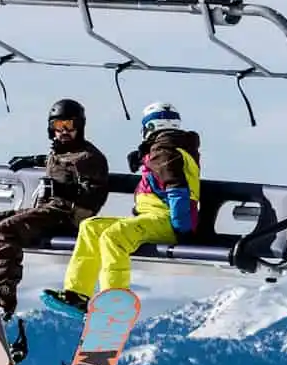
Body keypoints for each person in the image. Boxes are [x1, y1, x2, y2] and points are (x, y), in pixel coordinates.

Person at [0, 98, 110, 320]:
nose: (64, 131)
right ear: (51, 128)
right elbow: (56, 160)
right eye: (58, 126)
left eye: (70, 125)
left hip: (67, 216)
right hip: (48, 210)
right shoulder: (60, 152)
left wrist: (67, 191)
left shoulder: (90, 158)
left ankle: (2, 297)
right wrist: (32, 160)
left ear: (80, 127)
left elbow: (94, 198)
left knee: (8, 229)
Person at [41, 101, 200, 318]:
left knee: (114, 237)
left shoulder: (165, 153)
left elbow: (178, 191)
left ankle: (114, 300)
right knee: (91, 227)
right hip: (153, 218)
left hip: (168, 221)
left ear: (149, 128)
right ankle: (77, 294)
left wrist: (182, 230)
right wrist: (144, 156)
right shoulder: (165, 150)